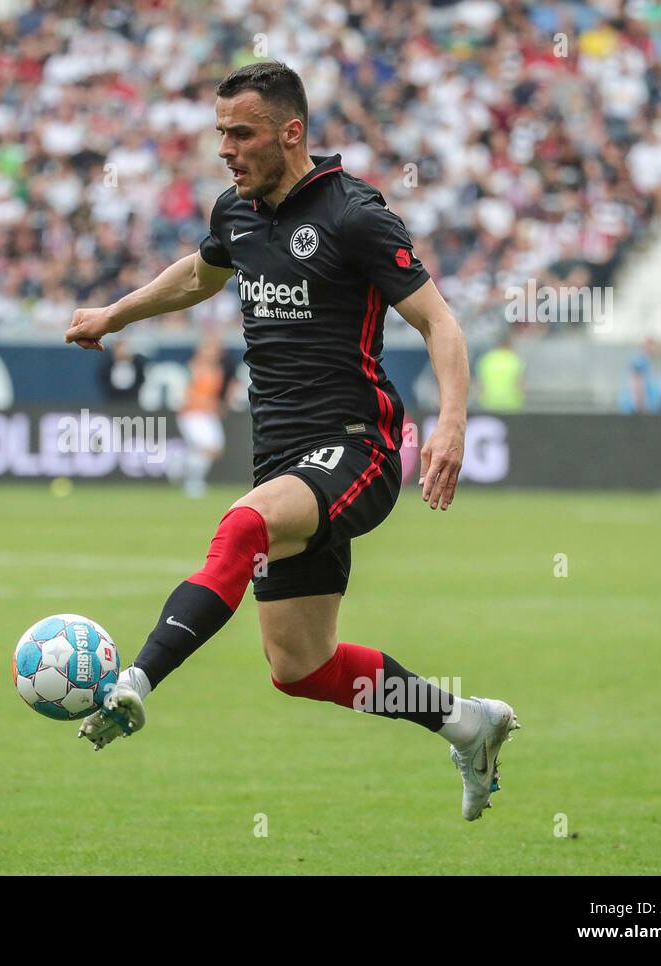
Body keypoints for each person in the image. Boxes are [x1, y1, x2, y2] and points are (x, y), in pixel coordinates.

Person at [63, 62, 518, 821]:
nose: (227, 149)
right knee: (300, 666)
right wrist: (117, 313)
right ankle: (465, 722)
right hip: (281, 455)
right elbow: (202, 274)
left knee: (242, 524)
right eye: (220, 135)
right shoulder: (236, 213)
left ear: (290, 132)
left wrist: (451, 423)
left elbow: (441, 323)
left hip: (357, 445)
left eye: (241, 134)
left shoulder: (354, 214)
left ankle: (135, 684)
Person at [175, 333, 237, 498]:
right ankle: (193, 482)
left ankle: (182, 465)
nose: (215, 352)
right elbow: (186, 396)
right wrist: (211, 404)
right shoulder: (193, 367)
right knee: (207, 448)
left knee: (214, 450)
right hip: (192, 415)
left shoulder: (217, 370)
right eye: (210, 348)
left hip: (208, 415)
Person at [474, 332, 526, 412]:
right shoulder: (515, 360)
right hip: (512, 405)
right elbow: (520, 385)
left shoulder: (486, 359)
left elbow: (480, 386)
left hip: (488, 405)